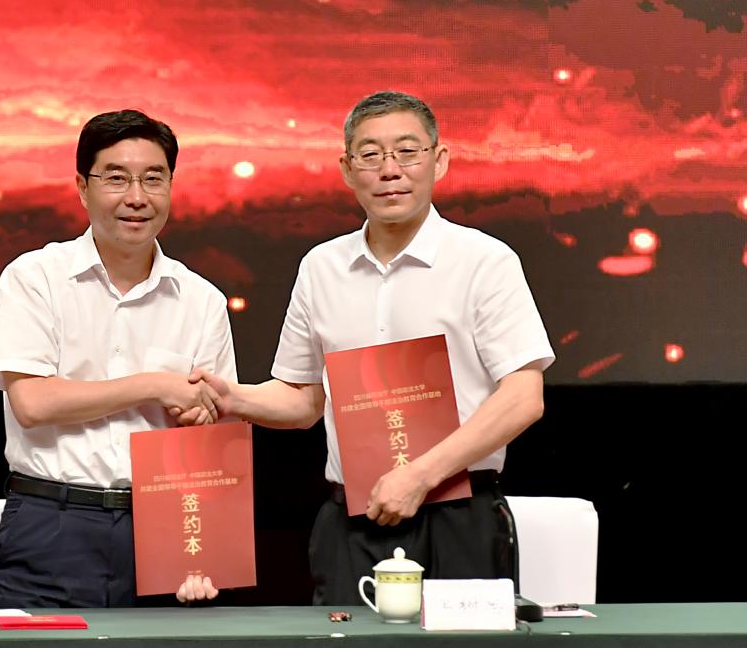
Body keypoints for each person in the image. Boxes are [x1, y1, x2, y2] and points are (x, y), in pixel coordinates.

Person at [178, 91, 555, 605]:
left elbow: (523, 397)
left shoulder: (484, 261)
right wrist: (232, 398)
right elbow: (302, 400)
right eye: (371, 155)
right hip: (353, 521)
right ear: (347, 169)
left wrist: (419, 475)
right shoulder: (321, 267)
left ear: (439, 161)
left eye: (408, 152)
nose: (390, 170)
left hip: (460, 516)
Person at [0, 109, 234, 607]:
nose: (137, 197)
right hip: (51, 525)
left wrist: (206, 547)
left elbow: (215, 439)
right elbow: (32, 403)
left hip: (164, 522)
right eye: (116, 179)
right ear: (83, 187)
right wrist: (155, 385)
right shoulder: (35, 277)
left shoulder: (201, 299)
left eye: (153, 179)